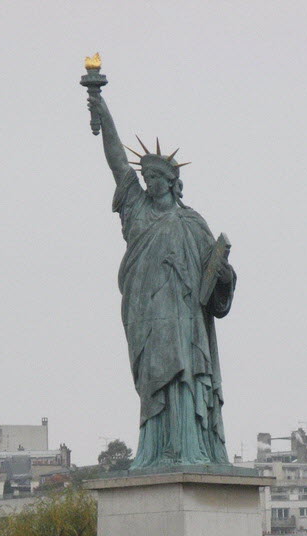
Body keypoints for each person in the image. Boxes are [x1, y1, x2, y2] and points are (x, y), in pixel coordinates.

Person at [87, 91, 236, 470]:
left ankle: (189, 447)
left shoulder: (192, 223)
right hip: (146, 318)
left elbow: (216, 284)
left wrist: (224, 274)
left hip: (185, 321)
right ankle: (155, 449)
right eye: (147, 177)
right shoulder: (136, 210)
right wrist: (103, 112)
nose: (150, 183)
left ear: (172, 182)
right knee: (153, 380)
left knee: (184, 375)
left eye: (157, 177)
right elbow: (118, 163)